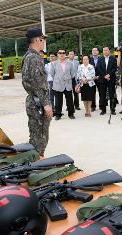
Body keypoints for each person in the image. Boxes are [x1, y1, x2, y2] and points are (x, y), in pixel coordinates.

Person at [21, 28, 53, 156]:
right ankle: (36, 164)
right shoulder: (34, 58)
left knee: (35, 136)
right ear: (37, 40)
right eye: (42, 39)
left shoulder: (27, 57)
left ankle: (34, 160)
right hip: (38, 103)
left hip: (33, 101)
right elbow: (39, 84)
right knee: (40, 138)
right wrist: (46, 104)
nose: (43, 42)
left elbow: (27, 82)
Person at [50, 48, 75, 120]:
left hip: (68, 84)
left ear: (65, 54)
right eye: (60, 53)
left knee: (70, 100)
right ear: (57, 54)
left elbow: (72, 74)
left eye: (63, 53)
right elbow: (52, 74)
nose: (62, 54)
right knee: (58, 101)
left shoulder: (70, 63)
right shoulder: (54, 63)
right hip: (58, 85)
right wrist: (58, 79)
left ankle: (71, 113)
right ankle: (58, 114)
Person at [96, 46, 117, 115]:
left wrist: (109, 75)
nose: (105, 51)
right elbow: (99, 68)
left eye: (106, 50)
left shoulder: (113, 58)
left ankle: (112, 109)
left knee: (112, 95)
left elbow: (114, 68)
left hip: (111, 79)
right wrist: (105, 76)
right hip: (102, 79)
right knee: (102, 95)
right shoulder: (100, 59)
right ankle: (103, 110)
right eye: (104, 50)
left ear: (109, 51)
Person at [89, 47, 100, 112]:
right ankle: (93, 106)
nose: (94, 51)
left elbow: (103, 68)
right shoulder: (89, 59)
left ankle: (102, 105)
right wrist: (92, 76)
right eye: (93, 50)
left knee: (101, 92)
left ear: (98, 52)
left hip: (99, 78)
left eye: (96, 50)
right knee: (92, 93)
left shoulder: (101, 59)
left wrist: (99, 76)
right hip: (92, 78)